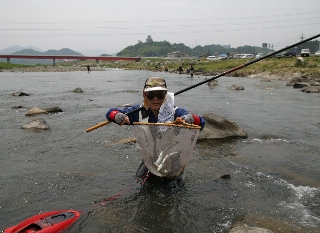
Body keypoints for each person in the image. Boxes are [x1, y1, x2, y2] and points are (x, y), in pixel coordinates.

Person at [106, 76, 205, 178]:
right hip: (149, 162)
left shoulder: (176, 113)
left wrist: (191, 118)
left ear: (166, 96)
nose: (156, 99)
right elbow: (111, 113)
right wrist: (117, 116)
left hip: (172, 160)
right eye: (151, 95)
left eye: (160, 95)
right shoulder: (138, 113)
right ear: (145, 96)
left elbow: (201, 122)